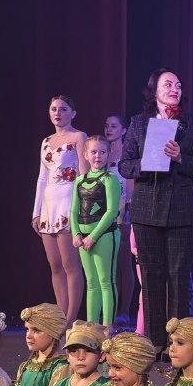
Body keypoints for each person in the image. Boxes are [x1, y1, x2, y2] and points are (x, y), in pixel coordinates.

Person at [118, 68, 193, 352]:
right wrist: (146, 162)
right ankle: (155, 342)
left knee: (178, 277)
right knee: (151, 277)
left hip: (181, 210)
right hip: (146, 211)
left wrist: (181, 157)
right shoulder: (138, 123)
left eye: (178, 85)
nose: (175, 89)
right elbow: (125, 165)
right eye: (168, 84)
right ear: (155, 91)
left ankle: (179, 343)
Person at [32, 95, 86, 326]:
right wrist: (36, 212)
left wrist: (81, 208)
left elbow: (83, 174)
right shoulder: (46, 141)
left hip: (68, 203)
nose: (57, 113)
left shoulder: (78, 137)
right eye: (54, 109)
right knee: (55, 265)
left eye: (63, 109)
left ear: (73, 113)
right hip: (48, 206)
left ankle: (71, 318)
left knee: (70, 264)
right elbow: (42, 177)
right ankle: (61, 316)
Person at [71, 135, 122, 325]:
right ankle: (91, 326)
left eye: (102, 152)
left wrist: (92, 236)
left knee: (106, 281)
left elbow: (112, 211)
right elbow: (73, 210)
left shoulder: (110, 179)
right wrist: (76, 233)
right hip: (83, 238)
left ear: (108, 154)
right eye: (93, 152)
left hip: (104, 236)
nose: (98, 156)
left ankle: (108, 327)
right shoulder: (80, 180)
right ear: (85, 155)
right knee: (91, 283)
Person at [105, 114, 135, 326]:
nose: (109, 129)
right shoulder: (102, 151)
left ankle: (124, 311)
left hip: (122, 212)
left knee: (124, 263)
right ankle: (111, 309)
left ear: (124, 130)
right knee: (110, 265)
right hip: (104, 213)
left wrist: (127, 213)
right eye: (106, 126)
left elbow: (130, 185)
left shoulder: (127, 153)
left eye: (114, 126)